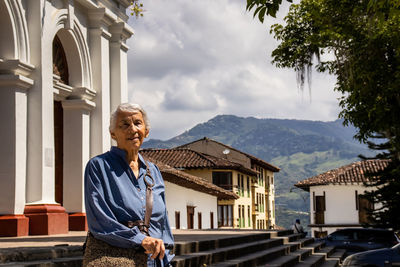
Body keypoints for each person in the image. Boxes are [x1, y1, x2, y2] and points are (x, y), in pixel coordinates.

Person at [83, 103, 174, 267]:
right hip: (116, 259)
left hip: (154, 262)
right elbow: (100, 221)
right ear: (113, 133)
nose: (132, 129)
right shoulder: (98, 167)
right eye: (124, 125)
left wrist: (166, 256)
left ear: (146, 131)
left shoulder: (153, 171)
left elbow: (162, 222)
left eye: (137, 123)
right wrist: (141, 240)